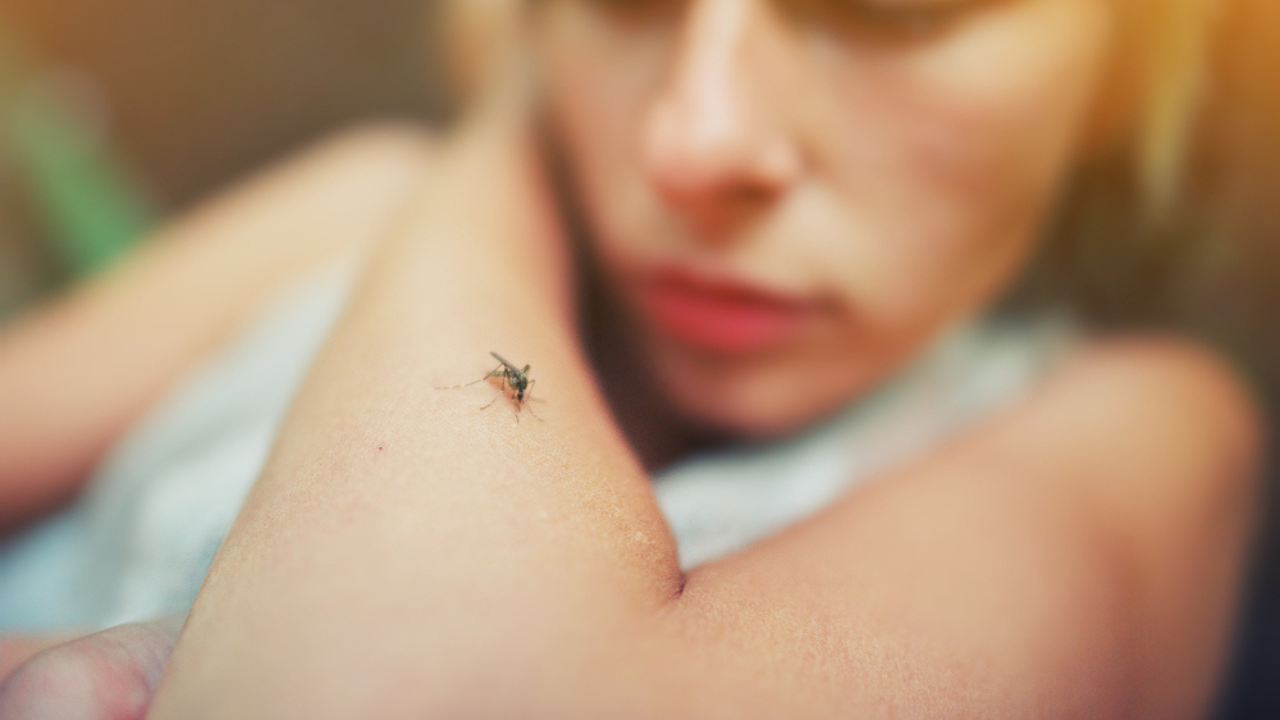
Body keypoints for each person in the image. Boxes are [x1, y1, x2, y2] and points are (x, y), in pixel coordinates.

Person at [0, 0, 1261, 717]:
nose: (696, 140)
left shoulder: (1135, 428)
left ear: (1123, 68)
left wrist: (500, 134)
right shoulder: (354, 208)